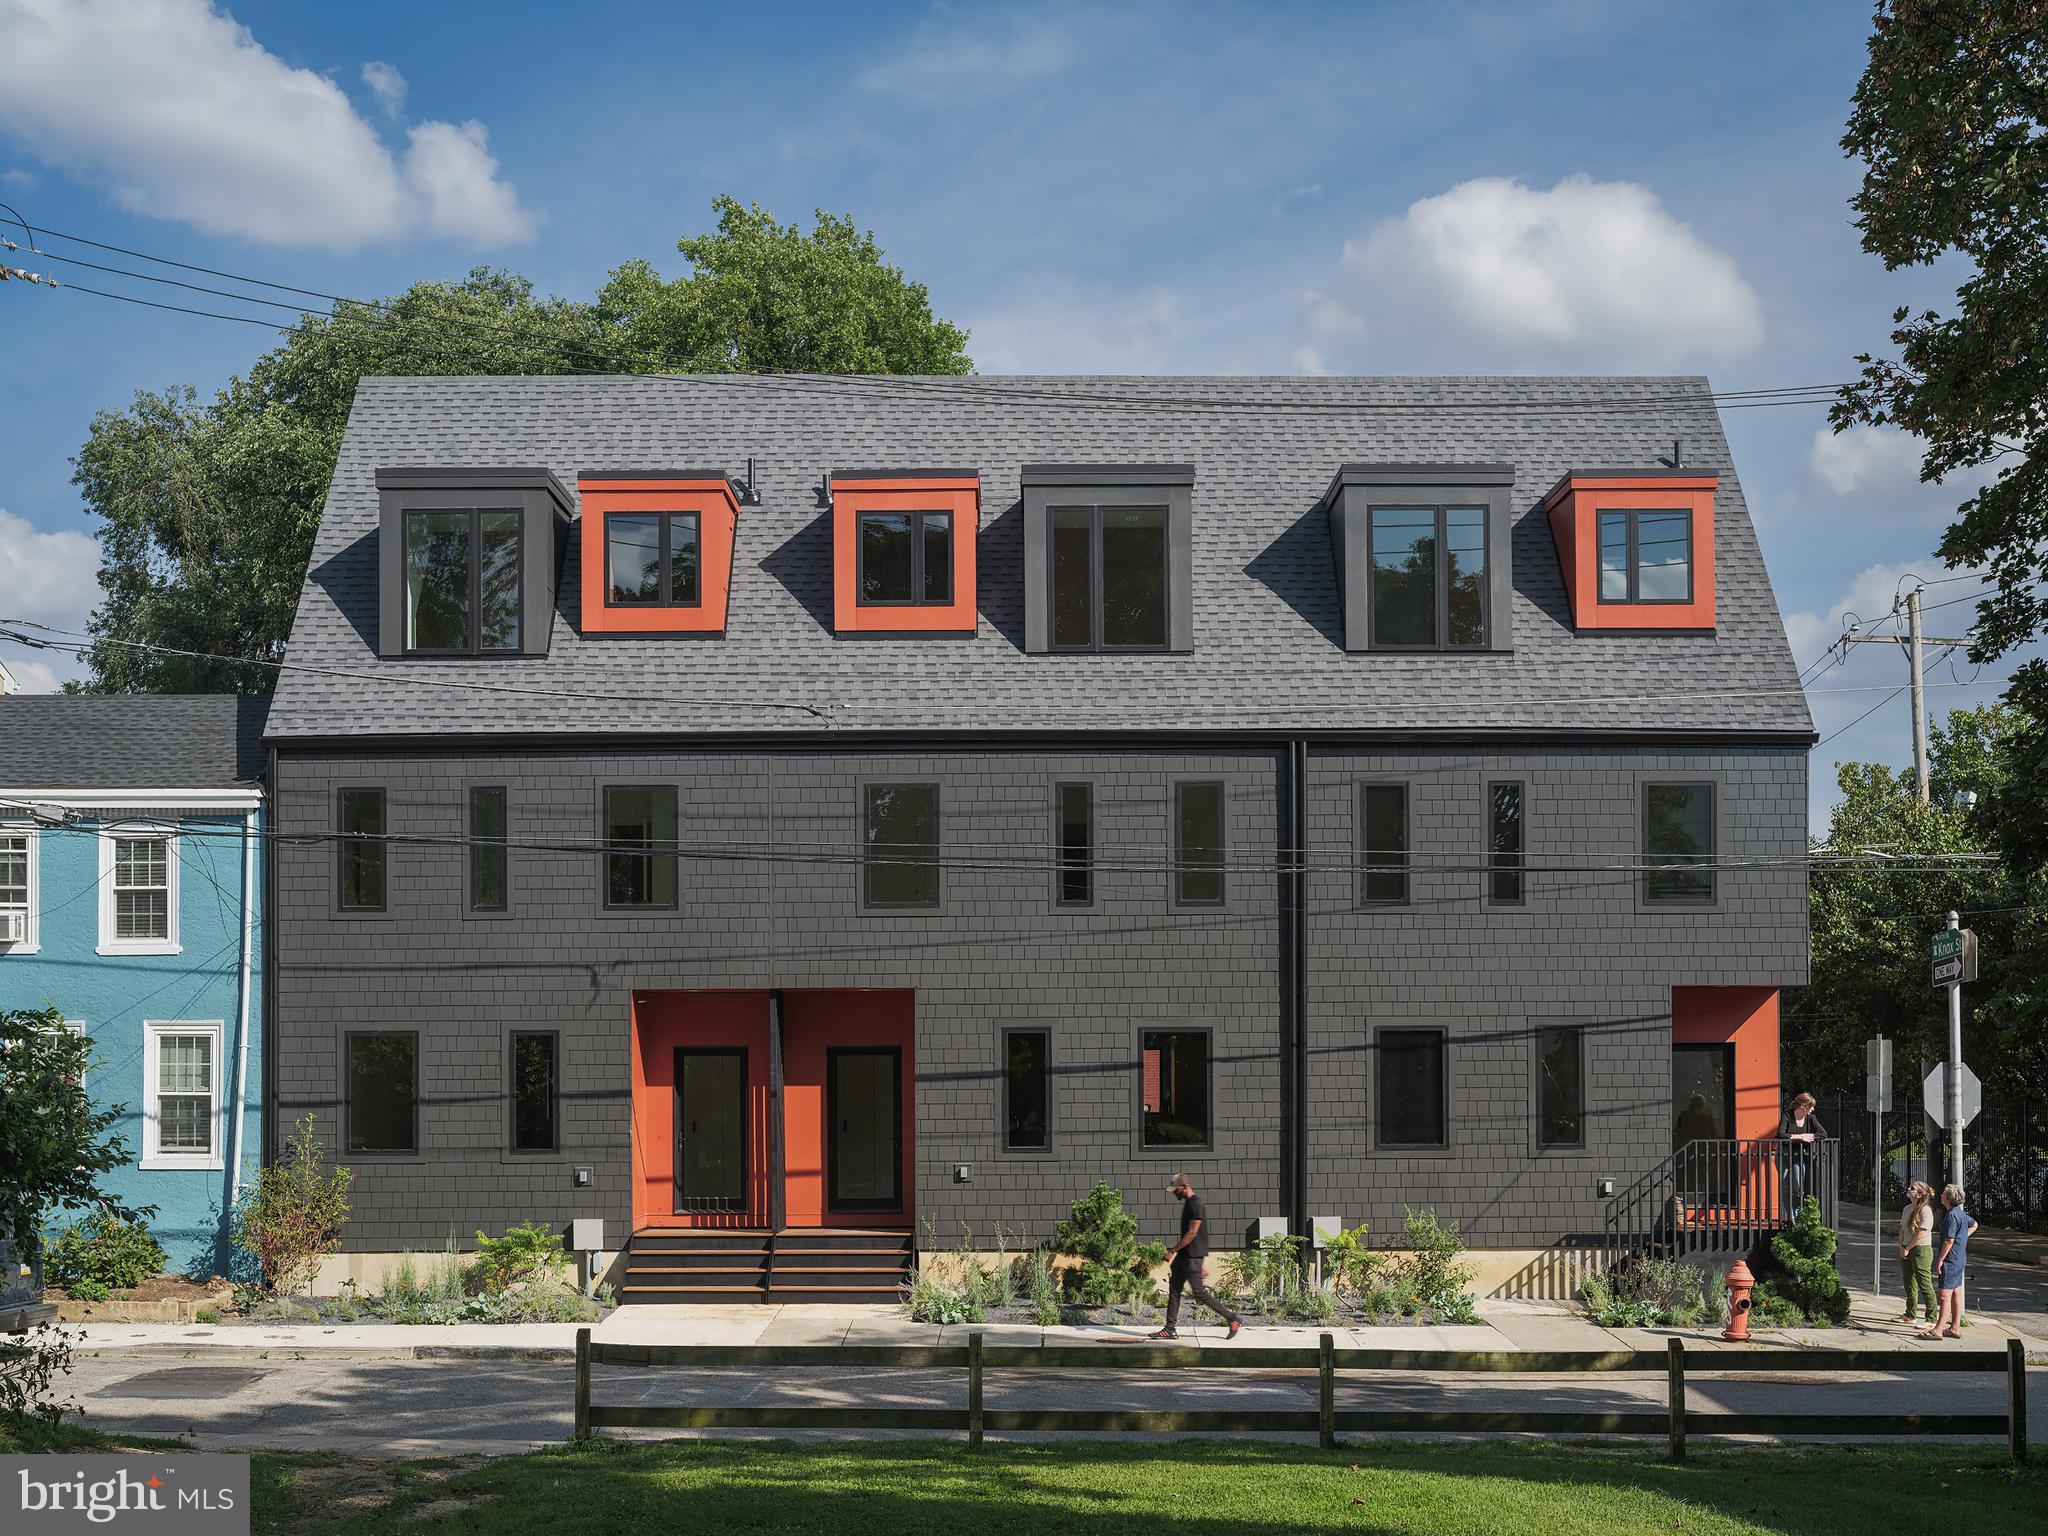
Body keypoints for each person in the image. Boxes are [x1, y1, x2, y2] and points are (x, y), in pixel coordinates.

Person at [1149, 1172, 1241, 1341]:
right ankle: (1169, 1329)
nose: (1174, 1193)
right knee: (1174, 1290)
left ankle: (1232, 1318)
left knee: (1199, 1293)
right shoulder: (1189, 1203)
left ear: (1184, 1187)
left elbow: (1192, 1233)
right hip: (1187, 1257)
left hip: (1191, 1257)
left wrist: (1172, 1251)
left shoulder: (1196, 1204)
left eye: (1175, 1190)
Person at [1921, 1183, 1977, 1340]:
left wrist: (1940, 1260)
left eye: (1943, 1194)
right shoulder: (1960, 1213)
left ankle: (1938, 1330)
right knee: (1956, 1293)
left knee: (1945, 1295)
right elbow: (1974, 1224)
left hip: (1951, 1260)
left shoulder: (1952, 1216)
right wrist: (1963, 1236)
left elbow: (1949, 1240)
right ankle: (1954, 1327)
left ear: (1948, 1198)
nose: (1940, 1195)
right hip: (1960, 1259)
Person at [1894, 1180, 1937, 1328]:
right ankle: (1910, 1314)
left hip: (1921, 1250)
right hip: (1906, 1246)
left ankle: (1931, 1319)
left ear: (1919, 1194)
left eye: (1912, 1188)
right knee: (1909, 1282)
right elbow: (1902, 1229)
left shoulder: (1925, 1210)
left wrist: (1909, 1247)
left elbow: (1921, 1234)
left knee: (1924, 1283)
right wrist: (1901, 1246)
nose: (1908, 1189)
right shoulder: (1907, 1208)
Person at [1776, 1092, 1826, 1215]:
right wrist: (1801, 1137)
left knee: (1797, 1187)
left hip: (1799, 1156)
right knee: (1786, 1187)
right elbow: (1781, 1134)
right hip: (1784, 1155)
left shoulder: (1810, 1119)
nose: (1813, 1109)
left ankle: (1797, 1213)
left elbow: (1823, 1133)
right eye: (1811, 1106)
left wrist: (1808, 1136)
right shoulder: (1787, 1115)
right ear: (1803, 1106)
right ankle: (1791, 1216)